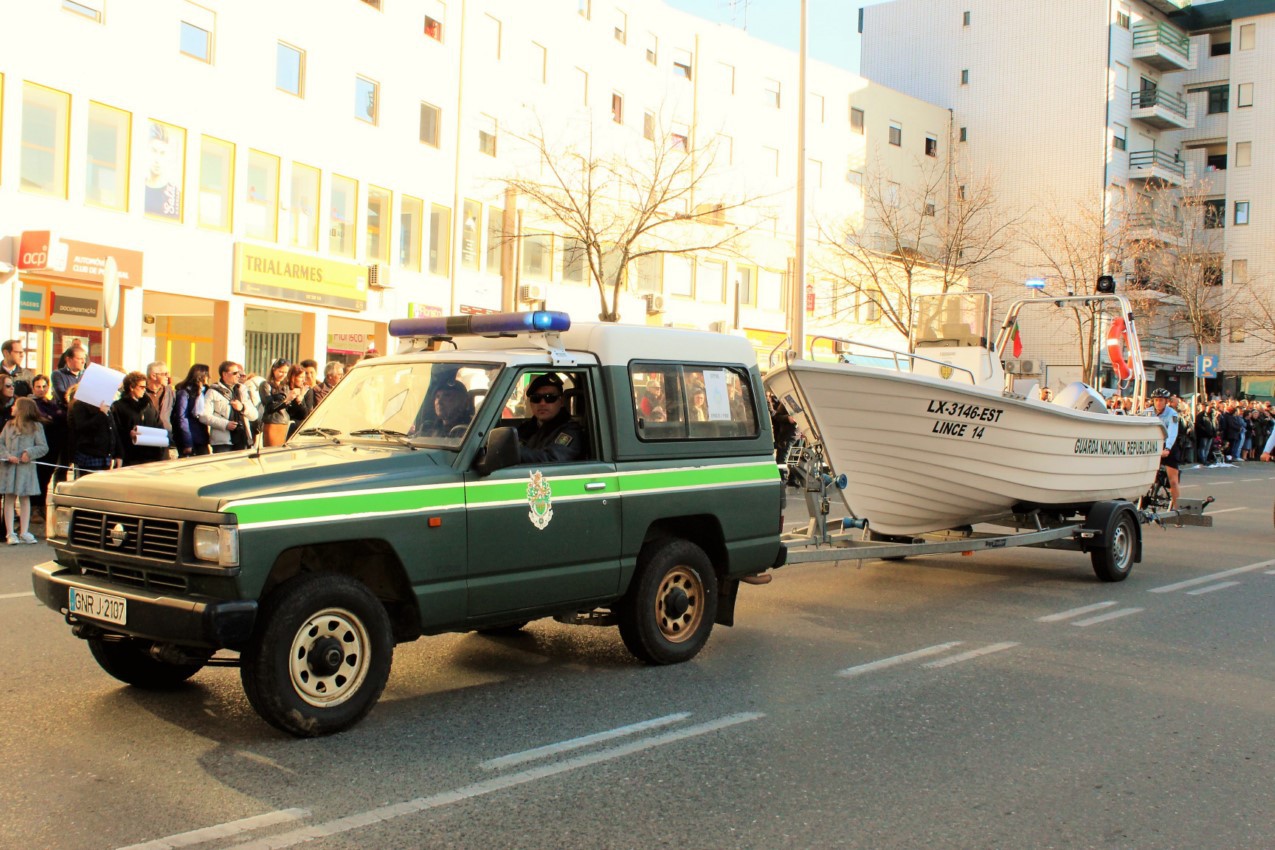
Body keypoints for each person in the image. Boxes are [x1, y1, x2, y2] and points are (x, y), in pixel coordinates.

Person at [0, 397, 49, 544]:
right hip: (8, 468)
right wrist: (7, 455)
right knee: (9, 499)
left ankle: (25, 531)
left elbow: (43, 447)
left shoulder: (36, 427)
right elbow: (0, 443)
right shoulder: (8, 426)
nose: (12, 407)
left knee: (25, 498)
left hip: (26, 469)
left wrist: (29, 453)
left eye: (15, 405)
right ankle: (10, 533)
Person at [516, 373, 585, 463]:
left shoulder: (570, 431)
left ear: (561, 402)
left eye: (550, 398)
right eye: (536, 398)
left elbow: (552, 458)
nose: (542, 403)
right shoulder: (526, 428)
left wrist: (514, 453)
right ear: (530, 403)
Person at [200, 361, 258, 453]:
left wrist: (242, 408)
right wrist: (225, 424)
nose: (238, 376)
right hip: (223, 442)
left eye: (239, 373)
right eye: (235, 373)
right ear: (225, 374)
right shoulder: (213, 391)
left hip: (242, 439)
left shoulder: (242, 390)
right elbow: (204, 416)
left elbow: (254, 415)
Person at [112, 371, 167, 466]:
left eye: (145, 387)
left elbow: (159, 425)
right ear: (131, 387)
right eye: (141, 387)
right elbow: (116, 431)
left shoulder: (148, 405)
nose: (144, 390)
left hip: (151, 454)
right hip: (131, 455)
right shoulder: (118, 406)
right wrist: (128, 434)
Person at [29, 375, 65, 517]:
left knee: (46, 478)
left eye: (44, 386)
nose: (41, 389)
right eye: (38, 386)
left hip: (53, 446)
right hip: (38, 446)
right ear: (33, 388)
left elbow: (61, 417)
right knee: (38, 478)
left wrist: (54, 417)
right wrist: (53, 417)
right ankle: (35, 508)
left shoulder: (52, 403)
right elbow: (43, 418)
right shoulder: (32, 403)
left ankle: (42, 506)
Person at [68, 384, 120, 474]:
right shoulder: (80, 405)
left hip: (106, 456)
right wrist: (101, 414)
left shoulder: (106, 406)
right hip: (90, 456)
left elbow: (113, 430)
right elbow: (82, 427)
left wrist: (119, 454)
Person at [1147, 388, 1181, 510]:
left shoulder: (1172, 414)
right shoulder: (1148, 412)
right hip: (1154, 447)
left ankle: (1177, 511)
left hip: (1168, 447)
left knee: (1173, 481)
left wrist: (1167, 448)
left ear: (1166, 401)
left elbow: (1172, 432)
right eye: (1156, 400)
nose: (1158, 403)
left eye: (1161, 400)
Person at [172, 364, 211, 457]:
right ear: (200, 376)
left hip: (201, 437)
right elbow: (182, 417)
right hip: (189, 436)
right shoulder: (184, 392)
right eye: (207, 374)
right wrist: (187, 442)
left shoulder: (205, 392)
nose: (209, 377)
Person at [259, 357, 294, 446]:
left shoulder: (285, 386)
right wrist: (286, 400)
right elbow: (269, 407)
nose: (283, 375)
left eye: (285, 372)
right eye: (280, 371)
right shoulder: (265, 385)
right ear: (274, 369)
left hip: (284, 421)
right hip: (272, 422)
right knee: (271, 450)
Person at [143, 361, 175, 449]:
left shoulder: (170, 392)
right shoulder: (141, 392)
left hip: (166, 438)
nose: (168, 376)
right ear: (153, 376)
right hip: (146, 439)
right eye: (165, 374)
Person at [283, 364, 314, 438]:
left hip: (300, 428)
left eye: (304, 377)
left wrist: (301, 398)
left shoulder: (307, 390)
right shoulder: (285, 389)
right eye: (300, 377)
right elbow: (288, 412)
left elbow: (305, 414)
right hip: (286, 426)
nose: (303, 380)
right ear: (293, 377)